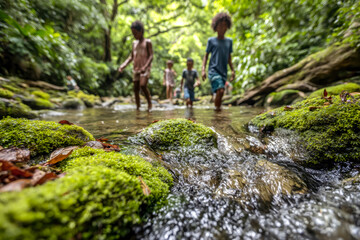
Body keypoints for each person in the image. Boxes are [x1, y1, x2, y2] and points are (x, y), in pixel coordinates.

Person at [202, 12, 235, 111]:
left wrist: (233, 70)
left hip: (223, 72)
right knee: (220, 91)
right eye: (220, 25)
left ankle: (217, 111)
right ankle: (217, 113)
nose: (222, 28)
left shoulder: (229, 41)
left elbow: (229, 58)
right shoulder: (211, 41)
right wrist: (203, 69)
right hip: (213, 70)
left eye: (225, 25)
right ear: (215, 27)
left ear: (227, 27)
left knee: (221, 93)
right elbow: (206, 56)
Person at [118, 20, 153, 111]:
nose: (134, 35)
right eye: (133, 33)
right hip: (136, 68)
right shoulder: (134, 43)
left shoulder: (147, 42)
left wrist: (145, 67)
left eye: (135, 33)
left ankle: (149, 103)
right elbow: (131, 57)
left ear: (141, 31)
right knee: (135, 87)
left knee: (143, 85)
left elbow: (151, 56)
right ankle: (138, 107)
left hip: (145, 68)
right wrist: (123, 65)